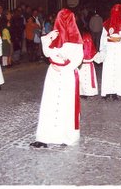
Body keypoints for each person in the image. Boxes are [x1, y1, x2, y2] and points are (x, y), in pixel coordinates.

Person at [30, 9, 84, 148]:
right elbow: (47, 52)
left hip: (67, 74)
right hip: (53, 74)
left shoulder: (76, 41)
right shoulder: (54, 36)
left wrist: (64, 68)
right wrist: (48, 37)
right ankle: (44, 137)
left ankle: (65, 136)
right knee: (49, 103)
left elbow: (78, 59)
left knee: (66, 105)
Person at [98, 4, 121, 100]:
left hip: (119, 50)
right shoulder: (107, 24)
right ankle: (107, 91)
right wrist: (104, 47)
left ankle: (118, 91)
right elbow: (103, 38)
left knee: (119, 70)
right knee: (108, 70)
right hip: (109, 50)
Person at [78, 30, 98, 98]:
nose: (87, 42)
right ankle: (82, 92)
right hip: (82, 65)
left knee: (84, 79)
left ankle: (88, 92)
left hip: (84, 65)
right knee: (82, 79)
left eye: (88, 41)